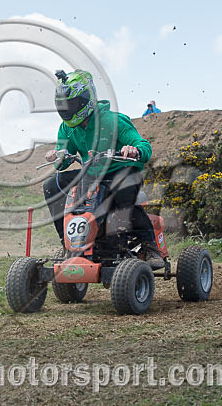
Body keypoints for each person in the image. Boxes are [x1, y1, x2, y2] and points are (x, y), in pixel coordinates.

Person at [43, 69, 163, 268]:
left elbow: (144, 146)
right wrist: (57, 157)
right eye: (64, 105)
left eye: (72, 104)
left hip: (121, 170)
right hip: (91, 173)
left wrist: (134, 150)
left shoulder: (113, 121)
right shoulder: (66, 128)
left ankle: (148, 245)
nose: (67, 110)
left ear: (86, 99)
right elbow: (63, 158)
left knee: (122, 189)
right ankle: (67, 243)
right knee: (51, 185)